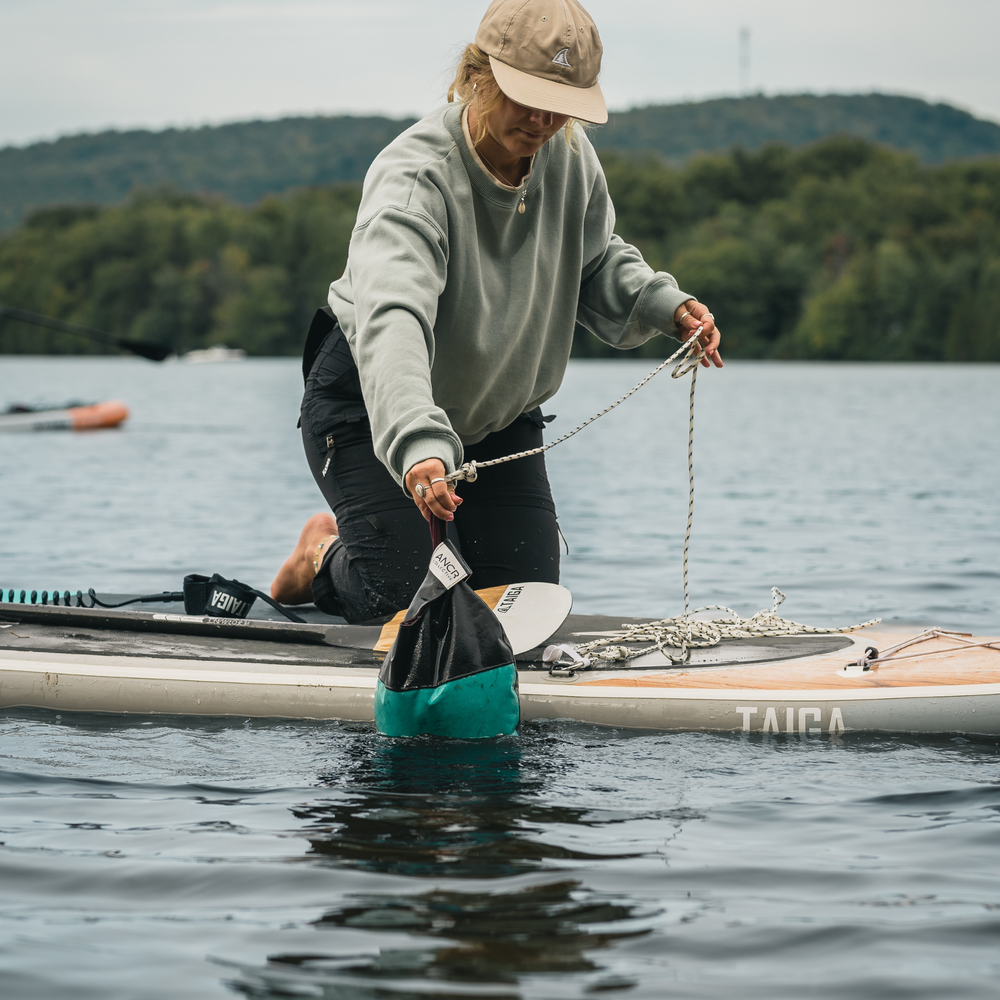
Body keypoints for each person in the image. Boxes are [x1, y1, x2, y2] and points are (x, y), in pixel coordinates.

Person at [271, 0, 722, 622]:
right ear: (477, 72)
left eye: (559, 102)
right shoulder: (415, 177)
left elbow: (595, 262)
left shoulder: (570, 157)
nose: (541, 118)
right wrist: (418, 443)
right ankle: (320, 557)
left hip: (496, 415)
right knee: (413, 602)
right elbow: (392, 318)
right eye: (525, 95)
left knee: (523, 608)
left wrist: (668, 306)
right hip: (373, 407)